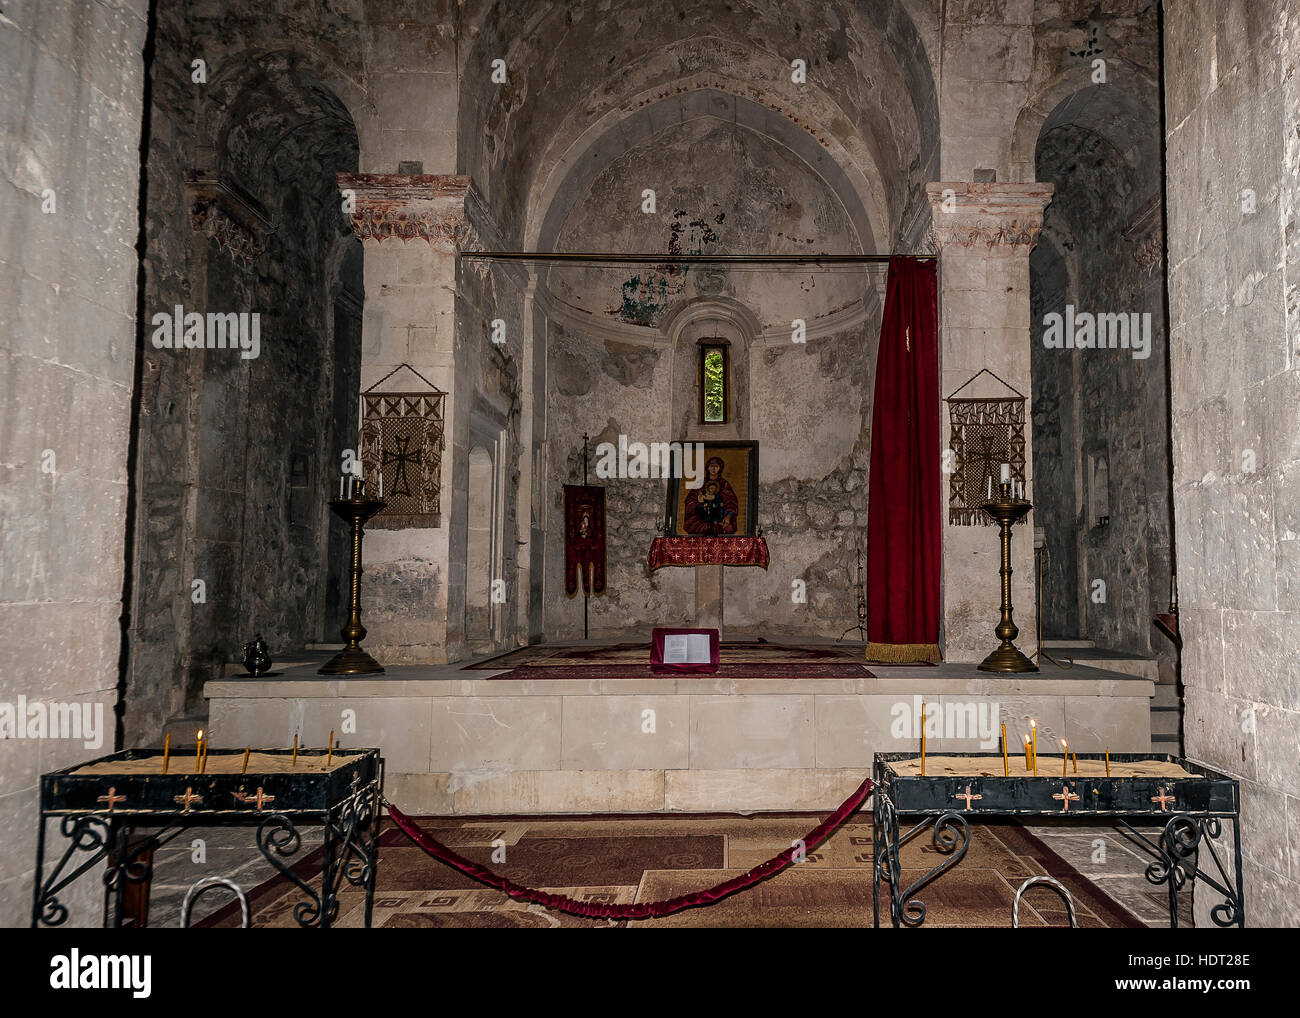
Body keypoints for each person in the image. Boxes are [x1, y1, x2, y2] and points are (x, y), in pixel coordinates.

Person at [684, 456, 739, 535]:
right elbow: (690, 500)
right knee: (697, 527)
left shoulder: (724, 484)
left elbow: (732, 501)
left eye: (716, 466)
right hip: (702, 516)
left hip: (719, 516)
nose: (713, 469)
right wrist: (699, 504)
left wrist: (728, 517)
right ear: (707, 468)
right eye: (711, 466)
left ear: (720, 468)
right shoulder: (700, 483)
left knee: (728, 529)